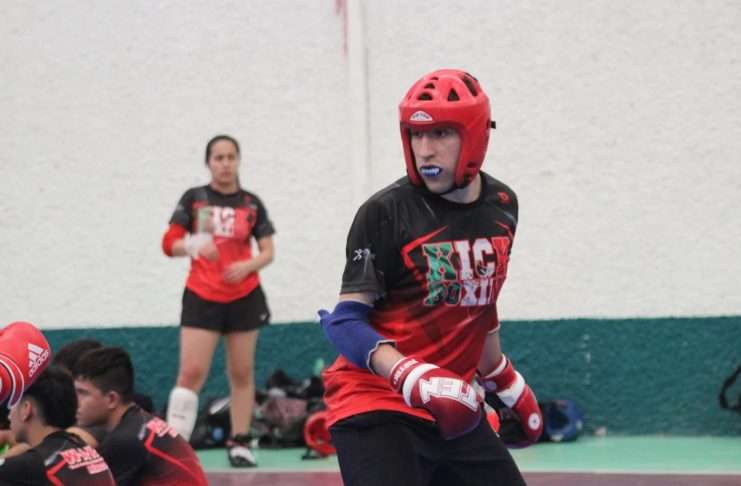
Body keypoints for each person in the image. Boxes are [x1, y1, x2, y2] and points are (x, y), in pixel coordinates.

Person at [318, 69, 543, 486]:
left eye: (440, 133)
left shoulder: (502, 206)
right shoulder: (385, 212)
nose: (425, 150)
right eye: (416, 135)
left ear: (475, 136)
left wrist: (504, 379)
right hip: (377, 401)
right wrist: (412, 376)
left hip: (454, 405)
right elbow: (346, 321)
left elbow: (480, 302)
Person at [161, 134, 275, 467]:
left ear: (238, 160)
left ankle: (240, 442)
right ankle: (174, 448)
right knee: (191, 372)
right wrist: (193, 244)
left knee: (242, 372)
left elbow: (268, 251)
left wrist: (248, 265)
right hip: (202, 296)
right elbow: (169, 243)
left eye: (230, 157)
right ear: (208, 162)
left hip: (244, 297)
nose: (225, 164)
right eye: (218, 157)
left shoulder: (251, 204)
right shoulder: (195, 199)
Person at [73, 346, 208, 486]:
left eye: (83, 393)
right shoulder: (140, 422)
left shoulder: (124, 442)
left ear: (111, 399)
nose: (74, 401)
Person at [0, 365, 115, 485]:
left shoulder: (26, 468)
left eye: (13, 403)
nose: (9, 414)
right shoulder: (83, 448)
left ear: (26, 409)